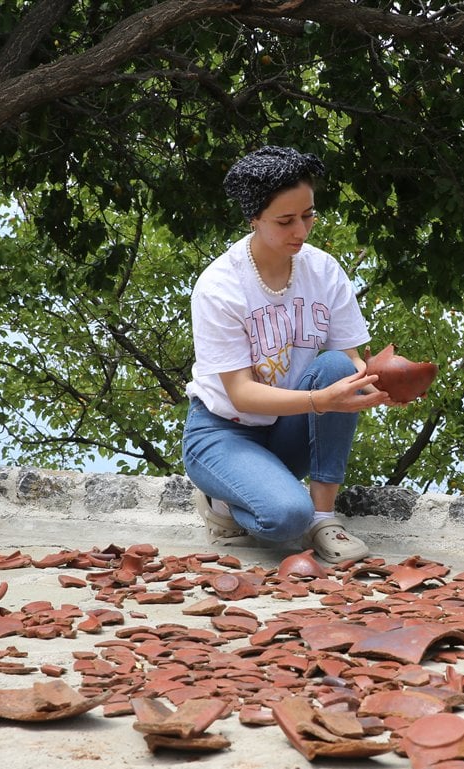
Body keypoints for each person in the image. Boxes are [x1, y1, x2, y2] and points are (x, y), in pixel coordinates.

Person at [181, 145, 395, 563]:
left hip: (288, 426)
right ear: (254, 218)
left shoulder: (324, 270)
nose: (302, 230)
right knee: (284, 520)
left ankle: (325, 517)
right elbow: (240, 394)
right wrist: (321, 400)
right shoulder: (220, 286)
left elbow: (346, 359)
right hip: (223, 432)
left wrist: (378, 382)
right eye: (286, 220)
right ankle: (222, 503)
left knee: (336, 366)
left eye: (309, 215)